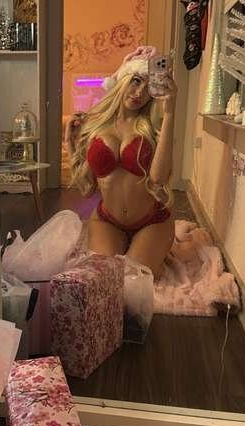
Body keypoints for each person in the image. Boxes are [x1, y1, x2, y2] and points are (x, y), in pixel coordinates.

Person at [66, 46, 176, 278]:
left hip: (151, 221)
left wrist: (169, 113)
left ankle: (148, 246)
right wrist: (70, 143)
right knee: (105, 278)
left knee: (133, 279)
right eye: (136, 81)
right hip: (108, 221)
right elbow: (87, 190)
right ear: (122, 79)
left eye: (148, 87)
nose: (140, 92)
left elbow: (157, 179)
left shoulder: (151, 128)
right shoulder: (94, 126)